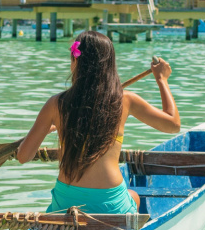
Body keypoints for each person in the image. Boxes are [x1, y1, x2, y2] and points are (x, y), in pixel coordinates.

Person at [15, 30, 180, 214]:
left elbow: (23, 157)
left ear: (75, 61)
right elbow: (173, 125)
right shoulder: (125, 100)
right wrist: (162, 80)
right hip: (109, 203)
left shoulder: (56, 104)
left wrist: (44, 127)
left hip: (66, 203)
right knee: (134, 196)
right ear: (109, 66)